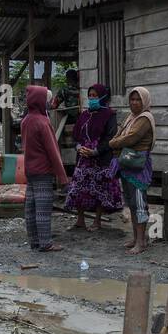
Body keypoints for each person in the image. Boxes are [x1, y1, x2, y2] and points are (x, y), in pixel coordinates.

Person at [65, 83, 122, 231]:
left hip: (100, 158)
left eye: (95, 96)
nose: (91, 98)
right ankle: (80, 220)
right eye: (90, 96)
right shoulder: (84, 115)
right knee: (78, 187)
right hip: (83, 158)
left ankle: (97, 221)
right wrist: (79, 148)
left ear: (102, 97)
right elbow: (76, 135)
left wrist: (95, 151)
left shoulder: (109, 115)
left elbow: (110, 137)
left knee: (99, 189)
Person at [21, 84, 69, 252]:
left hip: (29, 170)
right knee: (43, 208)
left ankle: (34, 241)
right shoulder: (43, 122)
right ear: (41, 101)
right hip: (42, 171)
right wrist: (63, 178)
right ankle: (46, 243)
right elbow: (53, 152)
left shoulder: (26, 120)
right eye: (48, 100)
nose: (49, 103)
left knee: (31, 208)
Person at [108, 86, 156, 255]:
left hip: (138, 166)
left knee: (139, 204)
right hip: (127, 164)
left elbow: (131, 138)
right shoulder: (131, 117)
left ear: (145, 101)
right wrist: (115, 140)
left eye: (138, 100)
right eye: (132, 99)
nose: (134, 103)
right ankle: (136, 238)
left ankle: (141, 242)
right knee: (132, 204)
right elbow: (119, 134)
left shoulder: (145, 118)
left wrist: (113, 143)